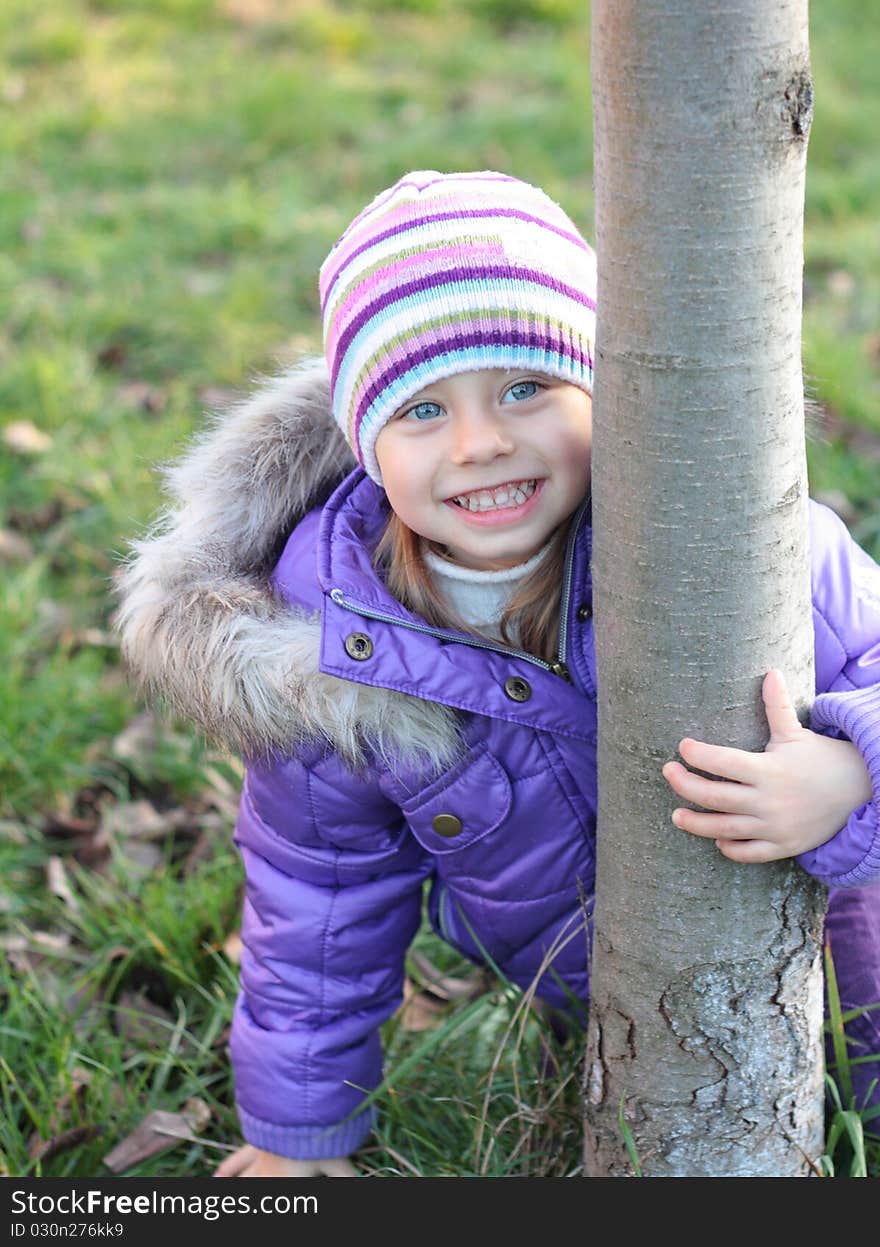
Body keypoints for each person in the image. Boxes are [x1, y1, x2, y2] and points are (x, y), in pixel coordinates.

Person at [116, 170, 880, 1176]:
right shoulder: (326, 646)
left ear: (599, 391)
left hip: (847, 943)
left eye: (525, 387)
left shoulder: (736, 541)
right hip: (626, 1018)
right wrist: (294, 1133)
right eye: (423, 409)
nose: (481, 443)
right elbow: (321, 900)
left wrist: (852, 768)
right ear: (363, 442)